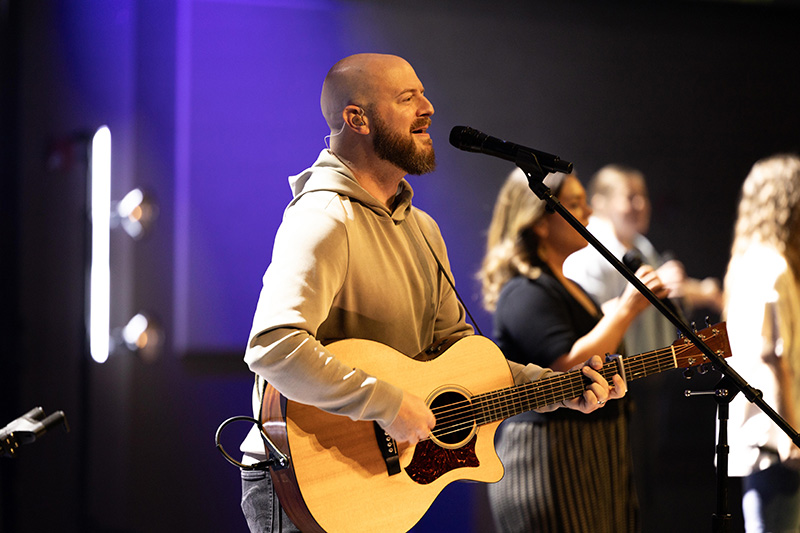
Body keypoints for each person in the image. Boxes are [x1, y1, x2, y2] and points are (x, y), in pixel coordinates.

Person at [237, 53, 626, 533]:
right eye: (407, 98)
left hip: (376, 487)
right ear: (355, 118)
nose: (429, 108)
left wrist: (557, 390)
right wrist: (387, 404)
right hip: (303, 483)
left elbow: (464, 360)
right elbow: (273, 346)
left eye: (422, 92)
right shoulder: (322, 218)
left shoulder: (423, 229)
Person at [478, 168, 667, 533]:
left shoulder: (571, 286)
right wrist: (626, 310)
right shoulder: (523, 291)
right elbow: (567, 367)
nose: (588, 215)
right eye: (575, 204)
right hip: (549, 458)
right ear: (539, 222)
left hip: (595, 453)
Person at [563, 164, 723, 355]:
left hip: (650, 373)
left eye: (643, 196)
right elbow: (586, 320)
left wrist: (706, 291)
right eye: (630, 197)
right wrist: (644, 290)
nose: (641, 205)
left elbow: (662, 289)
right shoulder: (586, 251)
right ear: (600, 203)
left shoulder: (641, 245)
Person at [723, 154, 800, 532]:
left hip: (761, 436)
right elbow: (773, 355)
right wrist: (790, 433)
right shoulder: (774, 266)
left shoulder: (746, 260)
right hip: (776, 441)